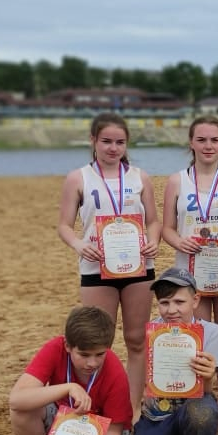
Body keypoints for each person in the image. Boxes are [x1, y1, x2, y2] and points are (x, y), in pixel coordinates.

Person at [57, 113, 161, 418]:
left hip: (138, 267)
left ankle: (132, 407)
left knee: (136, 339)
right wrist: (79, 245)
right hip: (96, 268)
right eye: (106, 141)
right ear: (93, 140)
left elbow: (153, 221)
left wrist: (154, 240)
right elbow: (64, 226)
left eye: (120, 142)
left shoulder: (140, 177)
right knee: (96, 341)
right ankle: (96, 406)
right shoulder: (78, 178)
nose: (113, 148)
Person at [162, 115, 218, 426]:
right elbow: (167, 228)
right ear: (191, 143)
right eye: (201, 139)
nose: (208, 145)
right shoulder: (177, 181)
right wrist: (179, 241)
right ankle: (202, 397)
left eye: (214, 139)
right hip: (191, 275)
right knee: (197, 339)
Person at [4, 306, 134, 435]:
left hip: (102, 431)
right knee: (23, 411)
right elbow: (16, 400)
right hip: (66, 420)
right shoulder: (54, 349)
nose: (92, 363)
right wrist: (68, 387)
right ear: (67, 345)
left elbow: (115, 428)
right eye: (84, 354)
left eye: (100, 354)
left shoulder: (115, 372)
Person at [123, 267, 218, 435]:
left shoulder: (212, 333)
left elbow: (206, 392)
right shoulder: (151, 332)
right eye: (164, 302)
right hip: (156, 413)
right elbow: (138, 372)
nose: (171, 310)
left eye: (180, 302)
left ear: (195, 300)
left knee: (202, 413)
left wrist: (207, 374)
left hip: (192, 406)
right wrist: (135, 409)